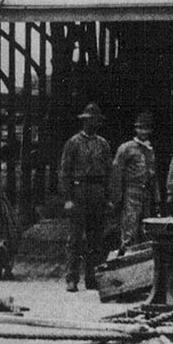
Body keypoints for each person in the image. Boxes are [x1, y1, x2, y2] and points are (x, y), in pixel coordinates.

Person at [58, 102, 112, 291]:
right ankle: (72, 278)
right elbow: (65, 172)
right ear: (83, 121)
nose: (92, 124)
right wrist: (68, 199)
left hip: (97, 192)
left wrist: (108, 197)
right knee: (75, 239)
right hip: (79, 191)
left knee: (95, 239)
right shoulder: (73, 143)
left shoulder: (103, 144)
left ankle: (92, 277)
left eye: (95, 121)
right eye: (89, 120)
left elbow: (108, 172)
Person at [109, 111, 161, 251]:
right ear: (135, 129)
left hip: (146, 194)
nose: (143, 132)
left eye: (146, 129)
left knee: (146, 230)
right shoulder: (126, 148)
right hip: (131, 193)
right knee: (129, 229)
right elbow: (116, 172)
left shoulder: (150, 150)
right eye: (140, 128)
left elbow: (153, 176)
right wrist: (117, 197)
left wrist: (157, 199)